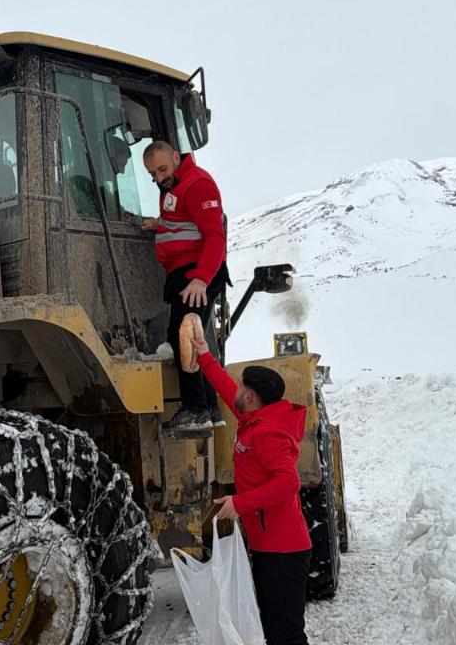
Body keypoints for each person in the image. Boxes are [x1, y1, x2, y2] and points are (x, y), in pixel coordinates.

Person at [190, 324, 312, 645]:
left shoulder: (267, 432)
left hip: (284, 551)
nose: (237, 392)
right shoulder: (251, 418)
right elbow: (224, 387)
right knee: (274, 631)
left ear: (251, 395)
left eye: (242, 388)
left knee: (286, 634)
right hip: (269, 546)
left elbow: (288, 482)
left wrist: (238, 504)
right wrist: (204, 354)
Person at [141, 140, 230, 432]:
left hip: (196, 276)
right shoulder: (174, 187)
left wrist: (201, 279)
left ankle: (195, 409)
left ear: (177, 157)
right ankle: (211, 408)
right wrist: (160, 225)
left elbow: (215, 237)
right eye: (152, 173)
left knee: (186, 341)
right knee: (194, 341)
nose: (159, 177)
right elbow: (184, 223)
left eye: (162, 169)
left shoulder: (197, 184)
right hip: (186, 274)